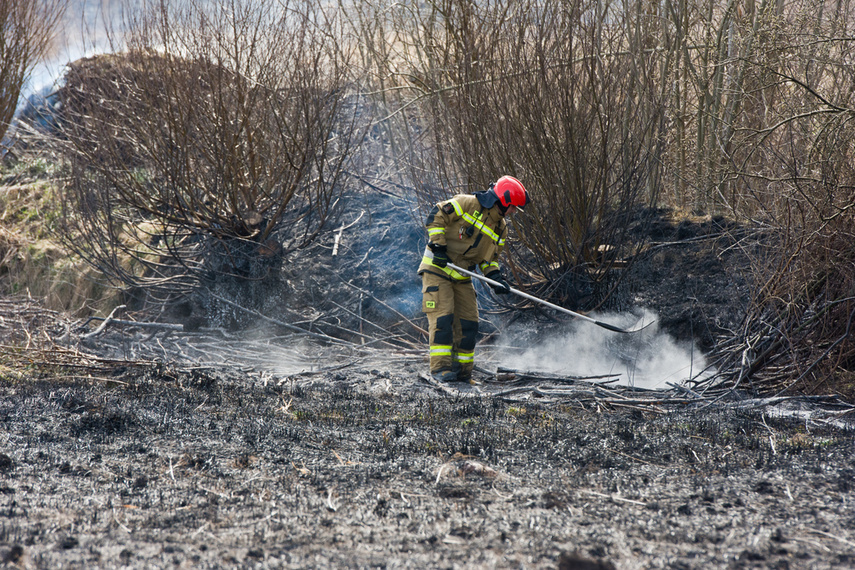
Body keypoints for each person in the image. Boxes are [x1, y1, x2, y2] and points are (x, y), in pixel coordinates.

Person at [418, 175, 530, 383]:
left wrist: (495, 277)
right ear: (504, 201)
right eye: (514, 207)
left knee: (469, 324)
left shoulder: (501, 228)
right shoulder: (467, 203)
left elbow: (490, 259)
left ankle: (462, 373)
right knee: (443, 319)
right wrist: (439, 245)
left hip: (461, 276)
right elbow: (436, 216)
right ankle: (441, 370)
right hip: (438, 269)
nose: (514, 212)